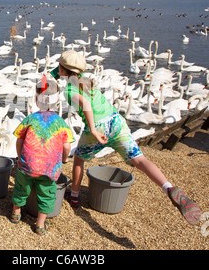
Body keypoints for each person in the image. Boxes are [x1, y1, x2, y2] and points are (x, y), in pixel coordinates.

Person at [50, 50, 201, 226]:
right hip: (116, 121)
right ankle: (168, 187)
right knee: (140, 160)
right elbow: (70, 74)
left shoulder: (69, 90)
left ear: (62, 69)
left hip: (98, 127)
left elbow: (85, 104)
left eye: (59, 68)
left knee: (78, 159)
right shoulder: (85, 79)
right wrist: (60, 72)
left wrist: (93, 129)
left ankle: (74, 196)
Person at [11, 76, 73, 235]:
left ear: (36, 101)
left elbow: (19, 141)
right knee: (47, 193)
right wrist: (64, 160)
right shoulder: (61, 123)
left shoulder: (30, 118)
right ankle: (39, 224)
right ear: (57, 101)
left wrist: (20, 157)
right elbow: (67, 146)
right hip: (49, 168)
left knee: (21, 188)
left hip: (27, 165)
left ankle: (16, 214)